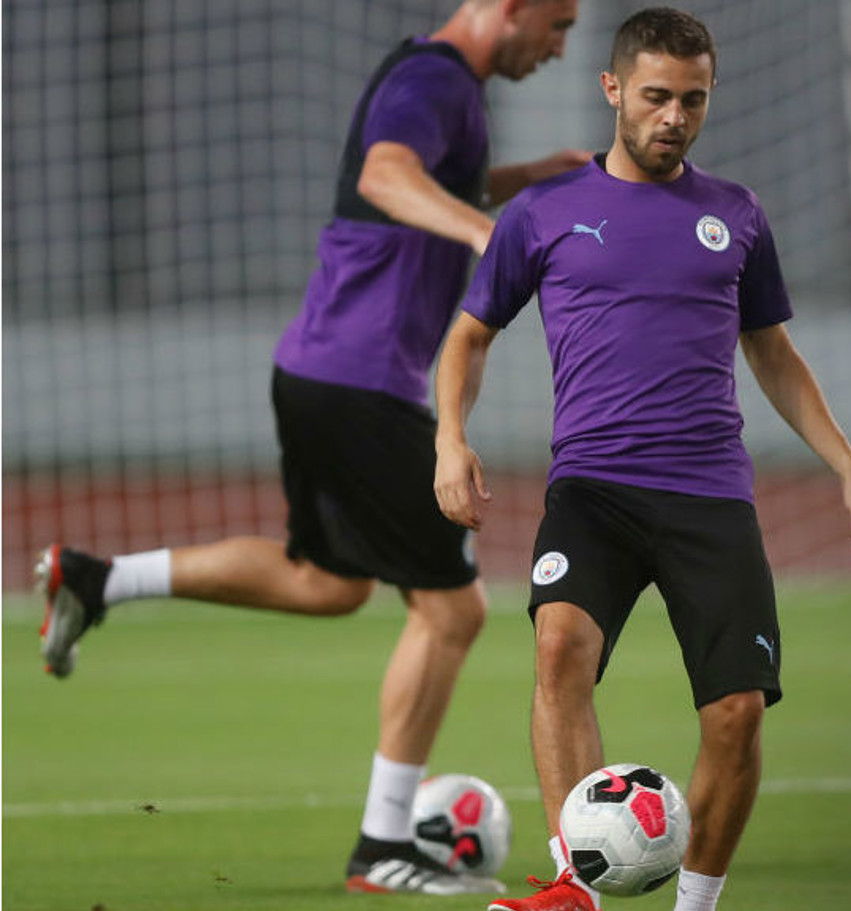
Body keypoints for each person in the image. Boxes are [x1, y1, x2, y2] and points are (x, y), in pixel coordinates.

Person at [36, 0, 587, 894]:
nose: (559, 48)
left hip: (321, 369)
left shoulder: (442, 82)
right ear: (511, 7)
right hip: (361, 380)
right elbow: (386, 176)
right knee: (453, 610)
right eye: (557, 25)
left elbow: (426, 183)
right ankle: (382, 845)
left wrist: (528, 179)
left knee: (327, 581)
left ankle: (99, 578)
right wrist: (489, 234)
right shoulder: (434, 78)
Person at [433, 8, 851, 910]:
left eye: (693, 99)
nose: (674, 117)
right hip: (592, 489)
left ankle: (696, 905)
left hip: (708, 494)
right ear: (612, 90)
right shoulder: (544, 212)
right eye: (655, 97)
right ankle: (576, 887)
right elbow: (468, 335)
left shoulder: (736, 215)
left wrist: (847, 463)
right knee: (559, 649)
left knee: (737, 712)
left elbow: (773, 352)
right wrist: (450, 435)